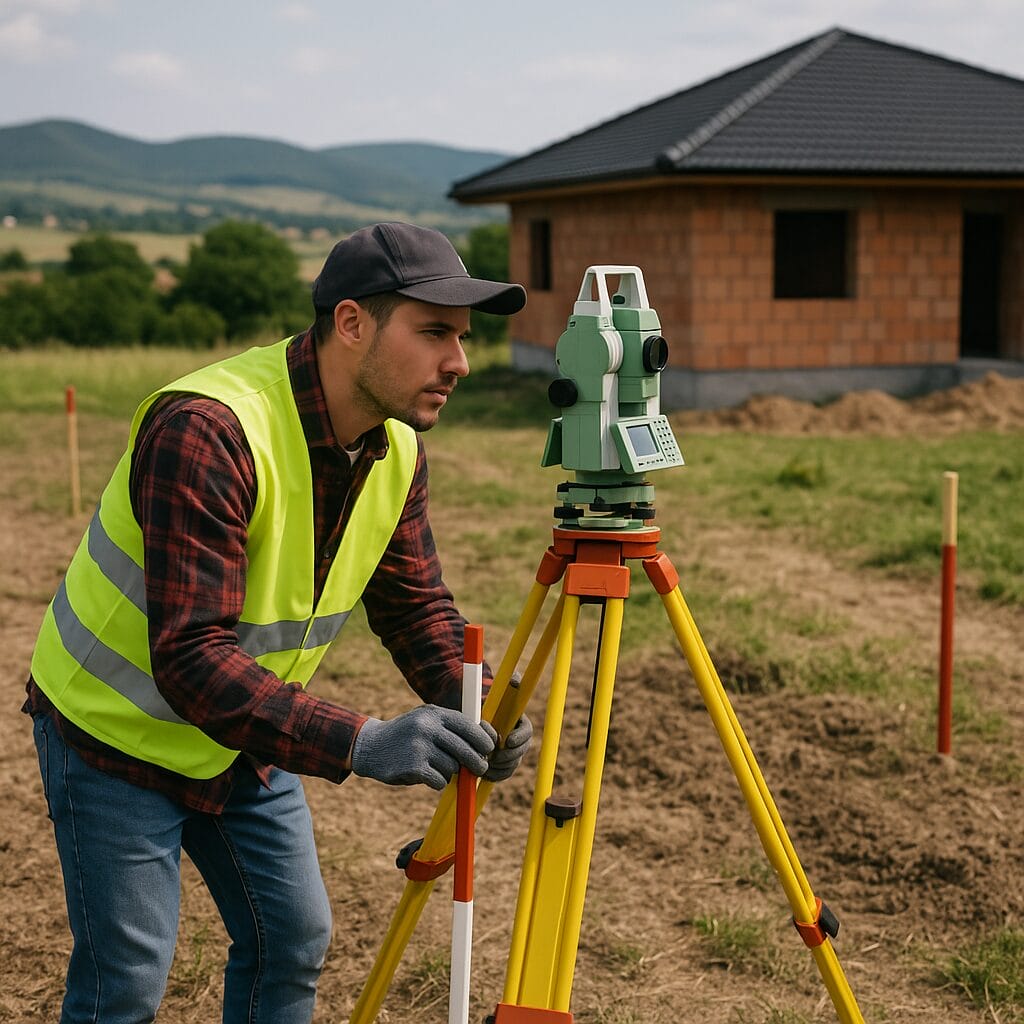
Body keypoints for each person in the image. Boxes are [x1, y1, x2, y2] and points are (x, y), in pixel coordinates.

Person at [24, 221, 534, 1024]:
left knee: (292, 942)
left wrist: (478, 708)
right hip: (109, 738)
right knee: (127, 983)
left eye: (463, 338)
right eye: (435, 331)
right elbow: (191, 657)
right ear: (352, 323)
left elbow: (413, 604)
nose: (460, 362)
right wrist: (363, 741)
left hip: (242, 741)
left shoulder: (393, 449)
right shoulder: (210, 429)